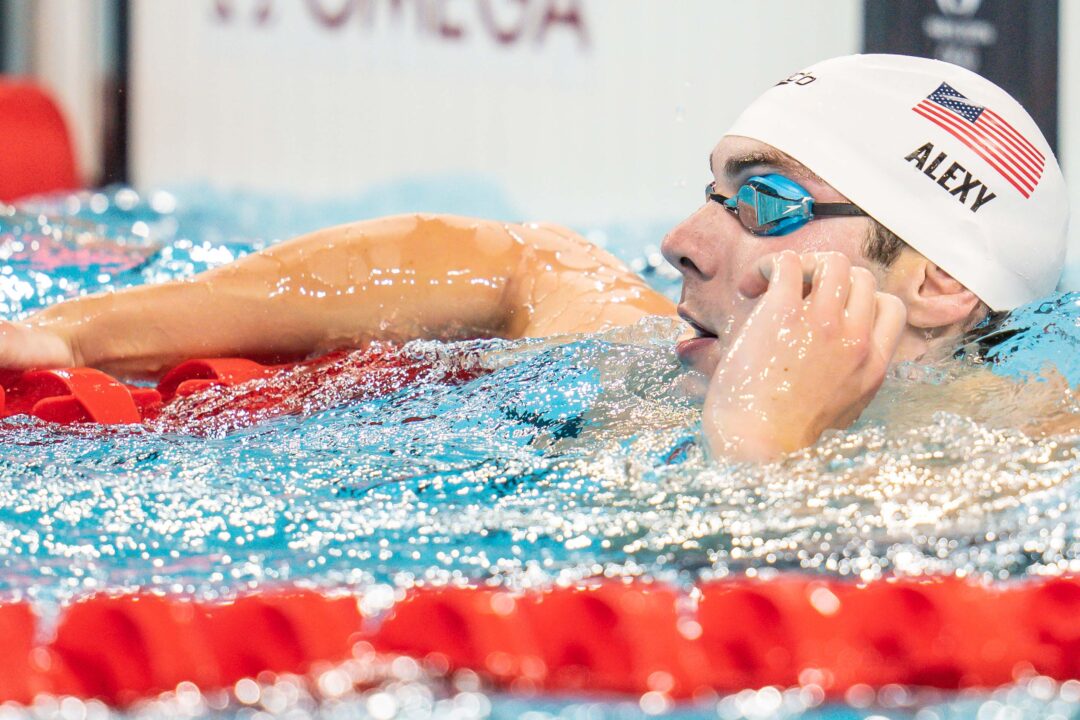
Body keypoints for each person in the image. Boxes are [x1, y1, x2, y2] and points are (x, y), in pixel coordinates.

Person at [0, 55, 1069, 460]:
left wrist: (758, 439)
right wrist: (71, 332)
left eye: (769, 201)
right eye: (711, 190)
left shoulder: (1032, 463)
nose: (681, 241)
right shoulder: (636, 353)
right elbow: (516, 259)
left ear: (939, 282)